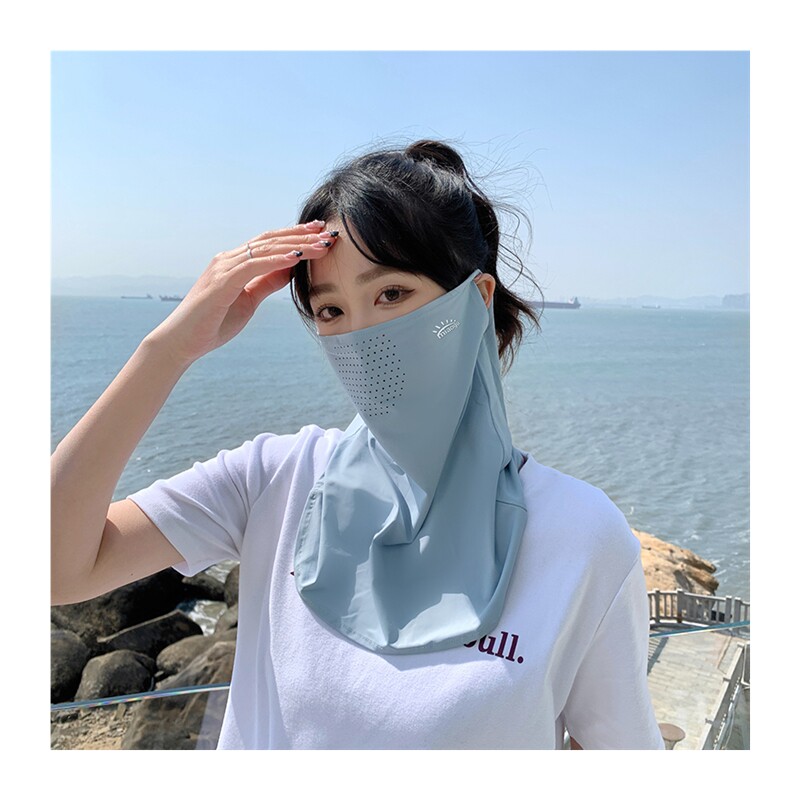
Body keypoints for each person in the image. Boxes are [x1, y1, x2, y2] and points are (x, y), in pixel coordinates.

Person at [51, 139, 665, 750]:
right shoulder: (275, 479)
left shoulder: (582, 537)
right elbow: (52, 567)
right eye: (331, 311)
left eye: (391, 294)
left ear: (476, 300)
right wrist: (168, 350)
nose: (362, 336)